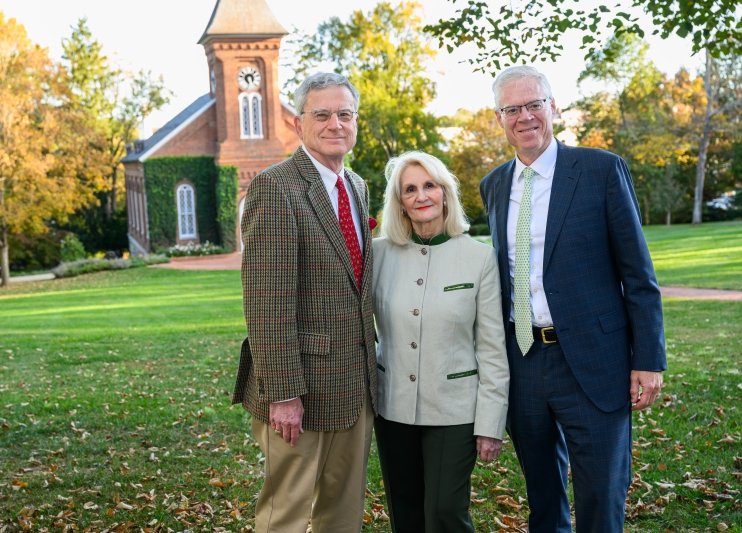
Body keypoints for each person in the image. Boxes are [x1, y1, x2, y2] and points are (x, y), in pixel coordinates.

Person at [479, 65, 667, 532]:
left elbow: (638, 275)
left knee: (601, 499)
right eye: (512, 108)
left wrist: (648, 358)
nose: (524, 116)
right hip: (522, 360)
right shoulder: (494, 185)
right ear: (499, 117)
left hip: (594, 361)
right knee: (543, 500)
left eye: (533, 104)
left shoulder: (601, 170)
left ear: (553, 107)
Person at [231, 72, 378, 533]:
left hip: (355, 385)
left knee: (343, 512)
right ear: (299, 123)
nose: (335, 124)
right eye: (322, 114)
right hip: (300, 390)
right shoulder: (276, 188)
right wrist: (284, 394)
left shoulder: (355, 185)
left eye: (345, 114)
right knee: (286, 516)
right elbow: (267, 301)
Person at [372, 151, 509, 533]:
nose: (421, 195)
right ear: (399, 201)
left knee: (445, 512)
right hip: (392, 405)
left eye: (429, 185)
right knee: (406, 513)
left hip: (456, 410)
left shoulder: (479, 258)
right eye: (410, 189)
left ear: (445, 192)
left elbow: (492, 348)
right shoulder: (378, 254)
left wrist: (491, 423)